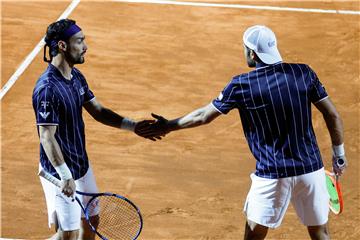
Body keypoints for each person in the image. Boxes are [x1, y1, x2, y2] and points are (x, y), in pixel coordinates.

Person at [145, 25, 347, 240]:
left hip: (272, 174)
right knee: (320, 233)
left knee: (253, 235)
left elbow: (203, 116)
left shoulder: (242, 85)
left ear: (252, 53)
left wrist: (168, 125)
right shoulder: (303, 73)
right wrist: (339, 155)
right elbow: (332, 115)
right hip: (311, 170)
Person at [32, 19, 156, 240]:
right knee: (67, 235)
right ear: (62, 45)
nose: (85, 47)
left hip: (81, 164)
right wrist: (64, 175)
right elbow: (46, 137)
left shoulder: (76, 77)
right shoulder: (47, 90)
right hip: (58, 170)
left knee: (92, 220)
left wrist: (133, 126)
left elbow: (99, 111)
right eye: (79, 41)